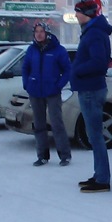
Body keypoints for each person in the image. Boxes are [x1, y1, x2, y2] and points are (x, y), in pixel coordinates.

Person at [71, 0, 112, 193]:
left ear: (87, 14)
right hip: (91, 88)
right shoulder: (94, 31)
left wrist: (77, 70)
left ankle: (102, 179)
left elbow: (99, 62)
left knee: (95, 136)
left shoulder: (94, 33)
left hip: (91, 89)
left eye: (78, 12)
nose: (75, 15)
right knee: (93, 135)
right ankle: (99, 174)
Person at [22, 22, 72, 167]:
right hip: (35, 91)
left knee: (57, 123)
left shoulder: (58, 50)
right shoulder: (32, 50)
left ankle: (64, 155)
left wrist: (58, 85)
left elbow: (67, 70)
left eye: (41, 31)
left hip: (52, 92)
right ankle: (42, 156)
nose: (39, 34)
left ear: (47, 33)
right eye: (36, 31)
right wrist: (27, 83)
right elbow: (25, 68)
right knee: (38, 125)